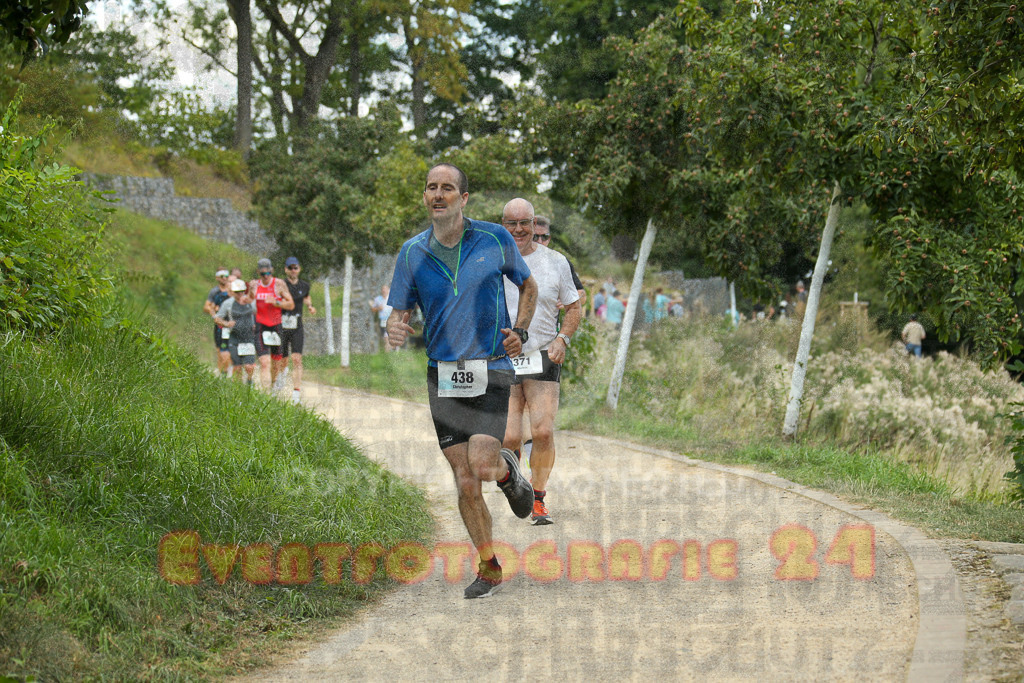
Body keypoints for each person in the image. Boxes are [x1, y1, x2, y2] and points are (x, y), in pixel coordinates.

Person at [385, 163, 538, 599]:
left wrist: (521, 331)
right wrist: (395, 327)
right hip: (443, 375)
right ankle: (489, 565)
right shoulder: (412, 252)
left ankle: (507, 472)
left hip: (491, 365)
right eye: (431, 187)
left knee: (483, 465)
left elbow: (529, 288)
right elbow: (400, 313)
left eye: (447, 188)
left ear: (463, 198)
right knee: (465, 478)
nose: (438, 194)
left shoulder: (493, 238)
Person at [500, 198, 581, 526]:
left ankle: (538, 498)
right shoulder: (492, 261)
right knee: (507, 439)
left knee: (543, 431)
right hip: (502, 357)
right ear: (502, 225)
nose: (519, 229)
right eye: (511, 223)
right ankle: (516, 482)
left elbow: (575, 307)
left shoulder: (556, 261)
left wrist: (563, 339)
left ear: (535, 225)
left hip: (543, 355)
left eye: (525, 223)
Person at [248, 258, 294, 390]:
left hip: (276, 326)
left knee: (276, 364)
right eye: (263, 274)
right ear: (258, 272)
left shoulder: (279, 284)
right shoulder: (254, 285)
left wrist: (276, 303)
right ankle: (265, 394)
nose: (266, 276)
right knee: (264, 362)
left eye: (268, 273)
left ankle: (273, 385)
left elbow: (290, 304)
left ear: (272, 271)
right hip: (260, 326)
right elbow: (250, 300)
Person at [533, 215, 586, 310]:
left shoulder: (560, 262)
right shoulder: (516, 260)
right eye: (535, 237)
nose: (540, 241)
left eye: (544, 237)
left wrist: (570, 300)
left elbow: (582, 294)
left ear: (549, 238)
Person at [281, 256, 316, 403]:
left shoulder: (304, 286)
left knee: (296, 358)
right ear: (286, 269)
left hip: (297, 325)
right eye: (290, 268)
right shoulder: (281, 285)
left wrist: (309, 306)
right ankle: (281, 376)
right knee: (283, 360)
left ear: (299, 269)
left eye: (295, 268)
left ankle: (296, 394)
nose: (293, 270)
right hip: (282, 325)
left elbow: (307, 298)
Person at [215, 278, 258, 385]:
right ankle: (238, 390)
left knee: (249, 366)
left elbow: (258, 310)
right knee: (237, 367)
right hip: (234, 338)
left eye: (241, 291)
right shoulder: (228, 303)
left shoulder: (249, 301)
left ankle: (249, 382)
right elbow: (217, 318)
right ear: (233, 292)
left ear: (244, 291)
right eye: (237, 292)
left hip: (248, 337)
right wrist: (226, 324)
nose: (239, 294)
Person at [203, 268, 233, 377]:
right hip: (221, 326)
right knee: (220, 350)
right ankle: (221, 374)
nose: (224, 278)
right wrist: (214, 313)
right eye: (222, 276)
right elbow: (206, 307)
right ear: (217, 278)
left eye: (226, 276)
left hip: (233, 324)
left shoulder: (233, 290)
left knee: (231, 350)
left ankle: (231, 373)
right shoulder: (215, 292)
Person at [370, 285, 393, 350]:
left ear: (388, 290)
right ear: (381, 291)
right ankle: (389, 348)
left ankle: (390, 348)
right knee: (386, 336)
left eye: (385, 289)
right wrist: (378, 308)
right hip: (383, 319)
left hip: (392, 319)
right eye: (383, 289)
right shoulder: (377, 299)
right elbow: (372, 309)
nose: (384, 291)